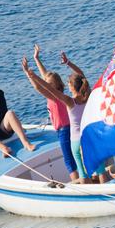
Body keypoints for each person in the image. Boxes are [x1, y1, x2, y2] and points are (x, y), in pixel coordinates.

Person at [23, 46, 86, 181]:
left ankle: (77, 181)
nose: (46, 84)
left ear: (55, 86)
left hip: (64, 130)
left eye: (48, 84)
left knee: (69, 161)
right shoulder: (60, 94)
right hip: (70, 129)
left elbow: (38, 86)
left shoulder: (53, 97)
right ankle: (82, 178)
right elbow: (45, 76)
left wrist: (29, 74)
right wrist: (36, 59)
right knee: (75, 157)